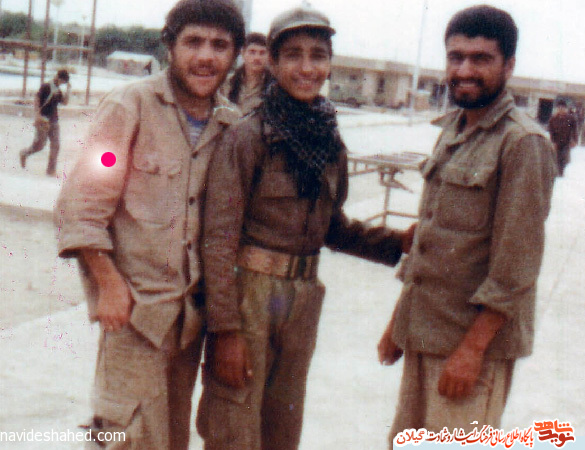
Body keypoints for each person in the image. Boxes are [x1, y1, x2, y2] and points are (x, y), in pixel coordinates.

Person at [196, 6, 415, 450]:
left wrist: (397, 243)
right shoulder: (247, 135)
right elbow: (218, 239)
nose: (307, 67)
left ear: (330, 64)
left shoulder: (328, 140)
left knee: (282, 431)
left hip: (302, 301)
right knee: (234, 426)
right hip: (249, 295)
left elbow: (332, 227)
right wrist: (225, 331)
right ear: (273, 64)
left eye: (318, 55)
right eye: (293, 55)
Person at [53, 1, 244, 449]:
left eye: (220, 45)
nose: (206, 56)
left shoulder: (231, 125)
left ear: (235, 55)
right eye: (193, 42)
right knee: (126, 435)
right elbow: (81, 201)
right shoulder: (129, 108)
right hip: (135, 316)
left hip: (189, 324)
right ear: (169, 46)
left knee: (171, 438)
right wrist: (108, 283)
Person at [377, 5, 557, 447]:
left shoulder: (522, 143)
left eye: (481, 59)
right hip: (427, 334)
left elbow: (516, 267)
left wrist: (472, 350)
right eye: (455, 57)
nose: (464, 70)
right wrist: (399, 322)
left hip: (469, 351)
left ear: (508, 66)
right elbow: (432, 239)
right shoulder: (455, 130)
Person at [19, 69, 71, 176]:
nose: (62, 83)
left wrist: (68, 91)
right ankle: (24, 153)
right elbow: (37, 99)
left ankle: (51, 170)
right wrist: (37, 115)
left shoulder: (58, 90)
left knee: (56, 145)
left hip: (54, 120)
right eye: (61, 80)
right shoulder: (46, 86)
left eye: (64, 82)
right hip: (43, 119)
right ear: (57, 77)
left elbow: (65, 102)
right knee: (39, 145)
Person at [225, 31, 272, 114]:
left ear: (268, 56)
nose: (257, 58)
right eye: (252, 52)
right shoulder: (226, 83)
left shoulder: (273, 87)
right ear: (243, 53)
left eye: (262, 53)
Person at [548, 99, 578, 176]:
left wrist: (574, 140)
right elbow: (551, 131)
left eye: (563, 108)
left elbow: (574, 130)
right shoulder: (553, 119)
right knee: (556, 157)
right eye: (559, 108)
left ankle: (561, 171)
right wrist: (552, 141)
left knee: (564, 158)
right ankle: (557, 171)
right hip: (557, 142)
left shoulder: (571, 119)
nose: (561, 110)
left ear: (566, 109)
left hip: (566, 141)